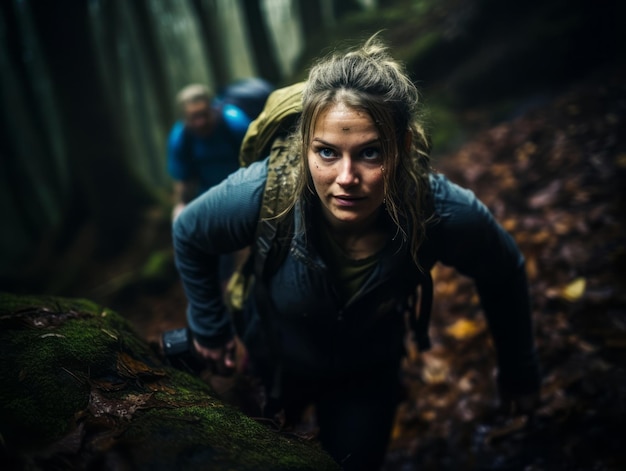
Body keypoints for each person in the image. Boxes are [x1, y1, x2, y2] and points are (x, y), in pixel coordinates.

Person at [172, 35, 541, 470]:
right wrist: (211, 330)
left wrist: (518, 370)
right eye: (326, 152)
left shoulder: (439, 211)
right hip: (269, 362)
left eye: (369, 153)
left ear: (400, 148)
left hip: (366, 378)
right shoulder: (267, 190)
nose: (346, 178)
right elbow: (189, 232)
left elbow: (503, 270)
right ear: (306, 144)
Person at [167, 83, 252, 221]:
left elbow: (258, 156)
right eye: (194, 117)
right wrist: (181, 205)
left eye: (203, 114)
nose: (200, 122)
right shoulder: (180, 137)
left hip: (245, 189)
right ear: (185, 117)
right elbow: (183, 178)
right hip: (208, 198)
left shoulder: (234, 122)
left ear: (212, 108)